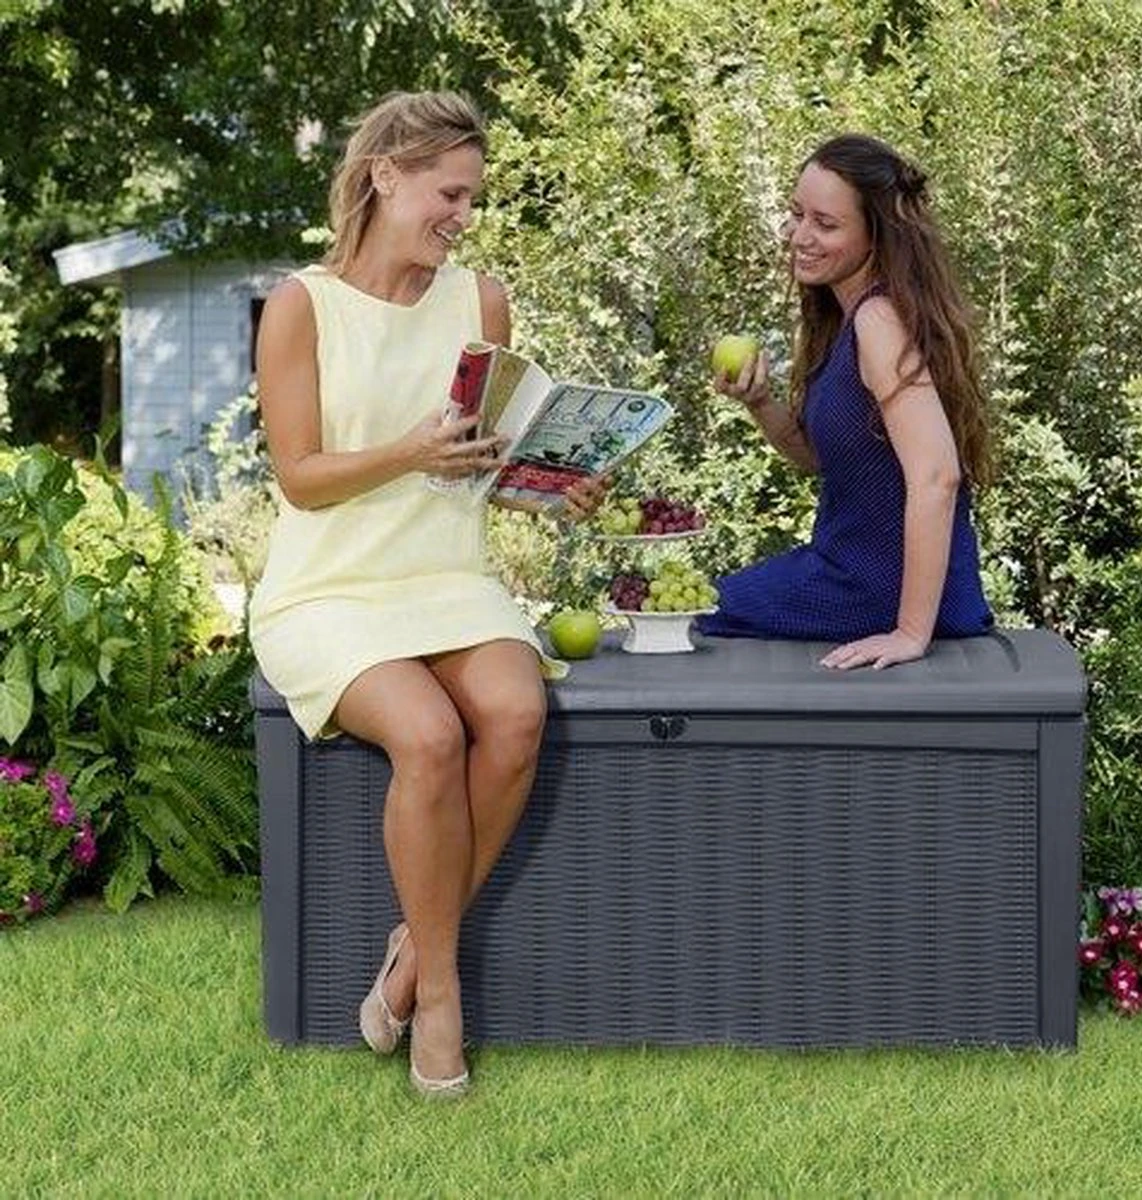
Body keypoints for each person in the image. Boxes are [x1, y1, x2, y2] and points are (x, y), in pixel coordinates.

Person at [248, 91, 606, 1097]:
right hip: (330, 588)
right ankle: (440, 996)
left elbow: (481, 463)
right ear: (385, 176)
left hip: (448, 575)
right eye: (449, 194)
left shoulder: (480, 302)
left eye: (472, 198)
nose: (463, 216)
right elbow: (299, 477)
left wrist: (554, 485)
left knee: (516, 714)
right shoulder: (302, 306)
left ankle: (409, 954)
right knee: (432, 737)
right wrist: (409, 452)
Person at [695, 133, 993, 667]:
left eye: (826, 224)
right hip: (851, 576)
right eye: (797, 215)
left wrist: (910, 633)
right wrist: (761, 403)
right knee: (695, 608)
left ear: (877, 236)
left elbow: (937, 475)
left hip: (874, 590)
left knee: (689, 616)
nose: (800, 236)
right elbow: (821, 458)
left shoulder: (879, 320)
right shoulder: (848, 321)